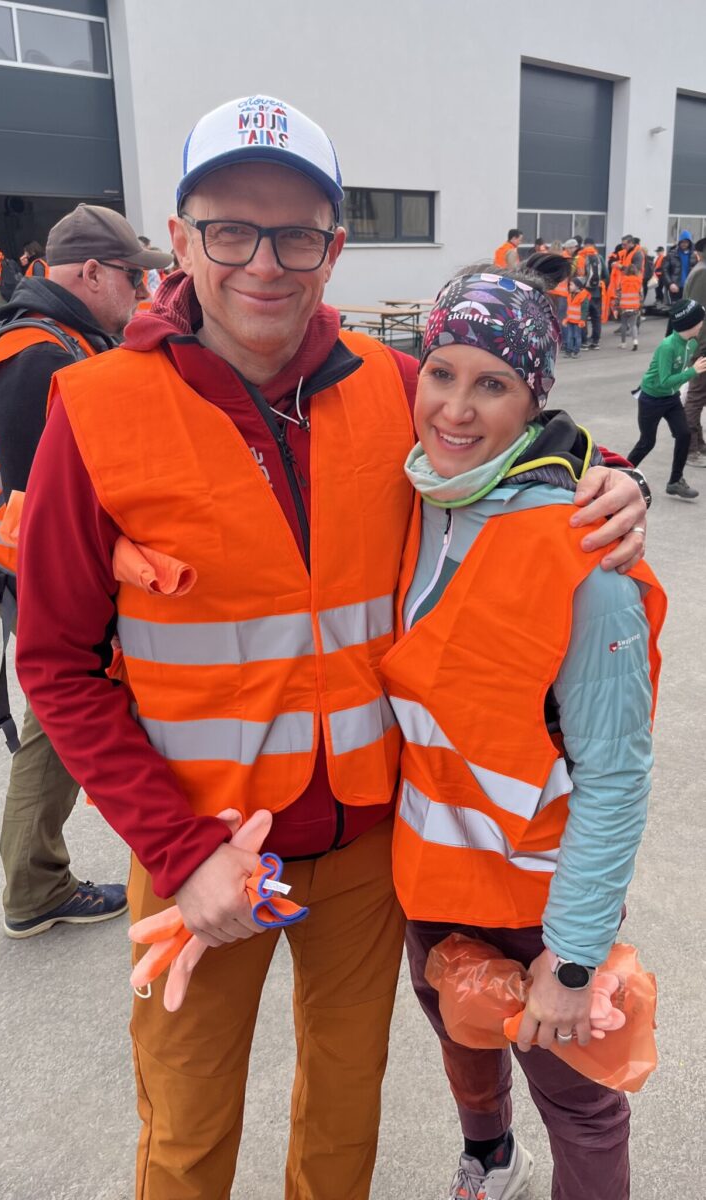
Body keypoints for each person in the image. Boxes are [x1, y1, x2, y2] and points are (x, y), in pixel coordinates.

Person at [15, 96, 646, 1200]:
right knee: (187, 1126)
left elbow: (503, 446)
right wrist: (177, 851)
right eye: (230, 230)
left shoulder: (394, 387)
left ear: (333, 249)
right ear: (181, 239)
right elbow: (55, 662)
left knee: (346, 1105)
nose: (263, 263)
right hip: (199, 845)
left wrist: (609, 478)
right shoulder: (97, 407)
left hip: (367, 846)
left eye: (295, 235)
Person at [379, 259, 665, 1200]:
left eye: (492, 384)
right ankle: (490, 1157)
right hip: (431, 879)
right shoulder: (422, 498)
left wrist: (572, 960)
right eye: (440, 373)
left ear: (533, 397)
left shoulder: (583, 552)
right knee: (464, 1038)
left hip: (539, 902)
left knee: (578, 1099)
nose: (456, 409)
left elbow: (616, 775)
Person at [0, 203, 170, 938]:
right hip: (42, 579)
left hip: (35, 572)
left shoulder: (59, 338)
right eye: (134, 276)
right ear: (91, 273)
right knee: (60, 718)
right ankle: (36, 886)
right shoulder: (38, 354)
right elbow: (47, 499)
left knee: (60, 720)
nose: (143, 291)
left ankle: (36, 881)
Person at [627, 298, 706, 501]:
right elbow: (664, 381)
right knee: (647, 442)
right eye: (700, 321)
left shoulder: (692, 343)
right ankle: (622, 474)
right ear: (690, 324)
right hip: (651, 399)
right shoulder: (668, 346)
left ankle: (675, 481)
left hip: (671, 398)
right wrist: (692, 372)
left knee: (684, 434)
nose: (702, 324)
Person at [684, 239, 706, 467]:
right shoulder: (702, 273)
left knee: (700, 395)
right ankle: (690, 448)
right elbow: (699, 315)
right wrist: (700, 348)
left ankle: (698, 443)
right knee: (696, 397)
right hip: (702, 346)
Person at [576, 236, 606, 348]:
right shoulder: (599, 257)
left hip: (584, 293)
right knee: (596, 318)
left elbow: (577, 276)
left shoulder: (580, 257)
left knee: (583, 316)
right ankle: (595, 341)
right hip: (597, 293)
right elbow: (606, 275)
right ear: (594, 245)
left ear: (584, 245)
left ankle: (584, 341)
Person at [662, 231, 697, 303]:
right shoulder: (671, 254)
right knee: (675, 307)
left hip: (689, 288)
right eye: (682, 242)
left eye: (686, 242)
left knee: (688, 308)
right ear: (679, 242)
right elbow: (665, 270)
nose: (684, 244)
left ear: (690, 243)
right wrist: (670, 283)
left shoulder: (694, 256)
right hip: (675, 287)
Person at [616, 263, 642, 351]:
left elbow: (618, 294)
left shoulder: (623, 280)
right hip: (634, 306)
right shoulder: (638, 281)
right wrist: (640, 305)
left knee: (624, 324)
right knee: (633, 325)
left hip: (624, 306)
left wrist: (616, 306)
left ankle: (623, 343)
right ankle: (635, 342)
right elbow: (641, 294)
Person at [562, 276, 590, 357]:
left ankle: (575, 352)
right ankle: (569, 351)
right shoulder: (570, 295)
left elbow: (584, 310)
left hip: (578, 321)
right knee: (570, 336)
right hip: (570, 320)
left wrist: (582, 320)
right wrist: (566, 319)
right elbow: (569, 309)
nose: (569, 286)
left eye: (571, 285)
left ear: (577, 286)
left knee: (576, 336)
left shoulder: (583, 296)